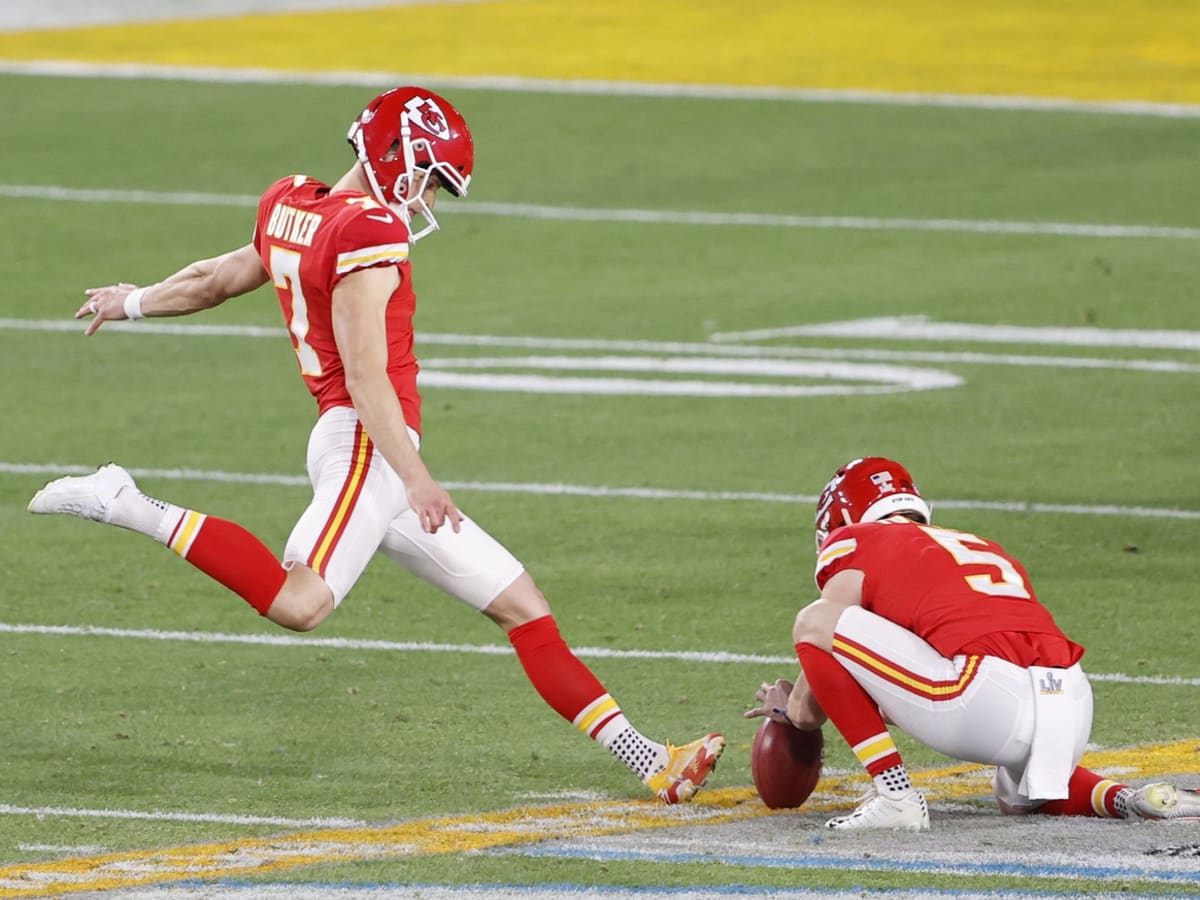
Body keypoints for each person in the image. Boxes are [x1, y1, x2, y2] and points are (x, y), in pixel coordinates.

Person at [28, 85, 724, 804]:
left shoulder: (294, 201)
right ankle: (129, 503)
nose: (427, 197)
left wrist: (133, 300)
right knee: (303, 602)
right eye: (427, 175)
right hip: (368, 444)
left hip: (366, 444)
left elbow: (217, 279)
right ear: (394, 152)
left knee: (522, 606)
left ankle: (651, 762)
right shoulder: (367, 232)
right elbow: (365, 376)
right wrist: (415, 477)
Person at [745, 456, 1199, 830]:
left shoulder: (855, 540)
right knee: (1020, 792)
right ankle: (1130, 800)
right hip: (1071, 699)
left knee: (815, 618)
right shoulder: (977, 544)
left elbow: (812, 685)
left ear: (841, 520)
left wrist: (792, 710)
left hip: (984, 694)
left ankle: (895, 796)